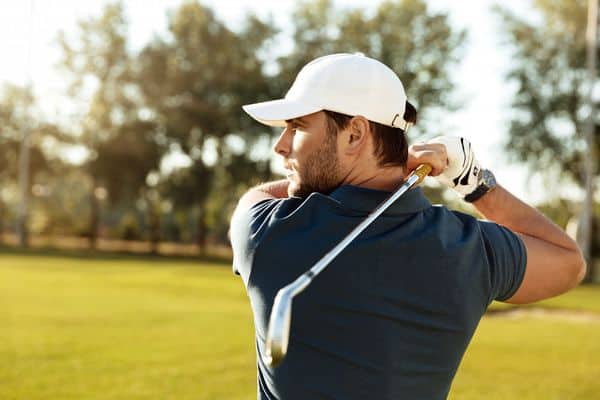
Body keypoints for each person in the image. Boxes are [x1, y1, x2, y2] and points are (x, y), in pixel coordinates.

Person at [229, 53, 586, 400]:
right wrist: (471, 181)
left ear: (355, 134)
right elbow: (568, 262)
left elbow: (253, 199)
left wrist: (398, 172)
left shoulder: (268, 234)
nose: (281, 146)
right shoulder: (465, 246)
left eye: (297, 127)